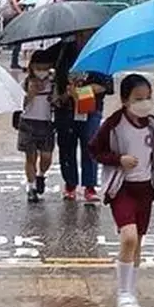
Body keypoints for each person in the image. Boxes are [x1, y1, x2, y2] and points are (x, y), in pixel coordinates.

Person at [90, 74, 154, 307]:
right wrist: (118, 160)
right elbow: (95, 150)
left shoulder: (152, 124)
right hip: (122, 188)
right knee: (129, 237)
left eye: (148, 98)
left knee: (138, 241)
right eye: (138, 99)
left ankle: (131, 291)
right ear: (124, 100)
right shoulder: (114, 124)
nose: (144, 103)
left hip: (145, 189)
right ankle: (123, 294)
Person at [50, 32, 112, 203]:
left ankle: (90, 186)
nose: (82, 36)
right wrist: (62, 93)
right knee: (66, 145)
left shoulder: (100, 51)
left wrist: (82, 92)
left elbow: (105, 85)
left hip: (90, 109)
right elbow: (55, 74)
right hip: (66, 109)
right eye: (80, 33)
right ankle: (70, 184)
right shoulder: (63, 49)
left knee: (90, 146)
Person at [17, 51, 56, 203]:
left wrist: (56, 97)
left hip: (46, 123)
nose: (41, 71)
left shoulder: (53, 84)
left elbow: (57, 102)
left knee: (46, 157)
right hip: (28, 122)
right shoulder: (25, 83)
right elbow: (19, 105)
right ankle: (31, 187)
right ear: (32, 67)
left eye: (45, 68)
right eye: (38, 68)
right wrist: (30, 94)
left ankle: (41, 175)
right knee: (30, 157)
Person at [0, 0, 29, 70]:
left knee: (17, 40)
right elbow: (15, 2)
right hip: (14, 18)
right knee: (18, 40)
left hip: (10, 18)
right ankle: (14, 62)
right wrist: (21, 12)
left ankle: (14, 61)